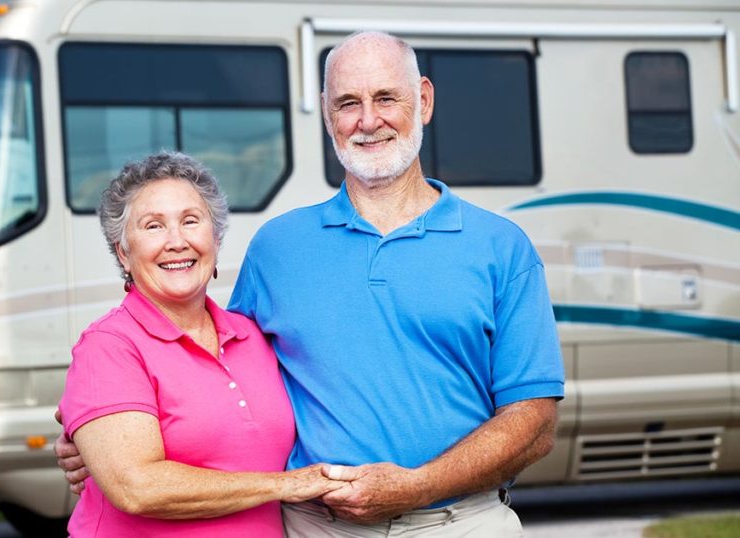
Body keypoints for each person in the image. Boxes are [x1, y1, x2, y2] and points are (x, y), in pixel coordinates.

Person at [58, 31, 565, 536]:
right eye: (348, 103)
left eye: (386, 97)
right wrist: (97, 440)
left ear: (424, 100)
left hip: (461, 522)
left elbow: (535, 423)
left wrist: (417, 485)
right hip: (314, 527)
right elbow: (209, 372)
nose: (368, 120)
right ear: (327, 114)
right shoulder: (278, 248)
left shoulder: (501, 247)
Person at [57, 152, 348, 537]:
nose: (176, 241)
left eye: (191, 221)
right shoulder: (109, 346)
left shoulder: (253, 335)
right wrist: (285, 485)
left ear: (215, 238)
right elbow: (137, 488)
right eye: (154, 226)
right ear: (123, 252)